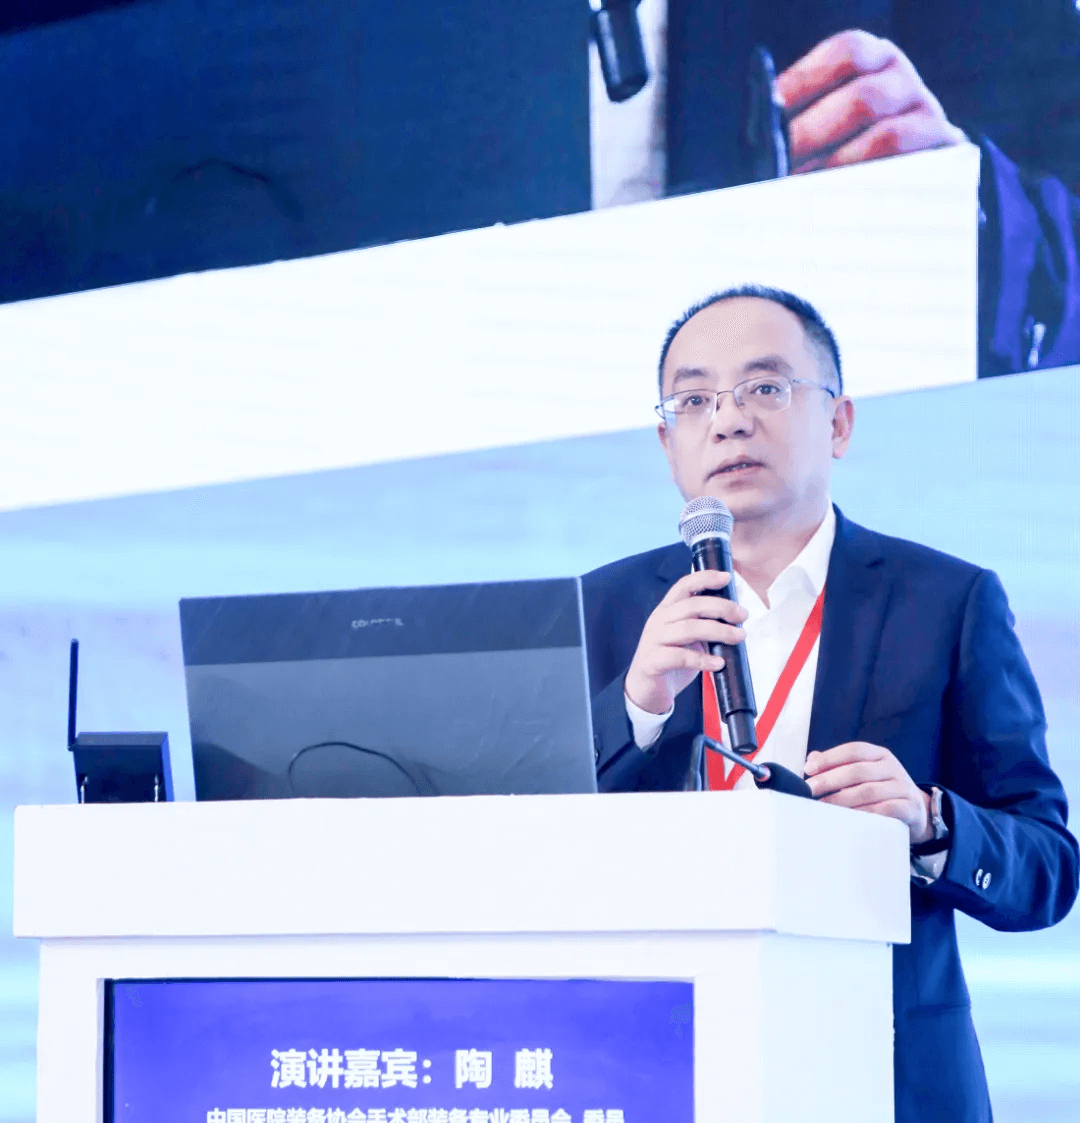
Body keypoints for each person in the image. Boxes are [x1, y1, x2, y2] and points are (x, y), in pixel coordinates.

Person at [581, 284, 1079, 1123]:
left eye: (765, 387)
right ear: (668, 443)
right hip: (657, 1065)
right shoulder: (605, 608)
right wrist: (637, 706)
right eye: (695, 400)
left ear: (839, 423)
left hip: (883, 1069)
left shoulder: (945, 601)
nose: (728, 421)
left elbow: (1048, 869)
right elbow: (531, 839)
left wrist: (932, 821)